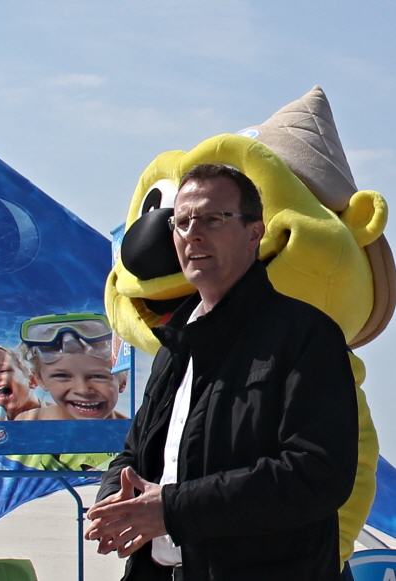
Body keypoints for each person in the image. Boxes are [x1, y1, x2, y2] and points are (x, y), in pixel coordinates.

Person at [85, 164, 359, 581]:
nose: (192, 234)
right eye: (181, 222)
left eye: (213, 219)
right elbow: (134, 455)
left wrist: (172, 510)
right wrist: (115, 501)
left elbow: (316, 475)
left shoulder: (306, 335)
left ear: (255, 232)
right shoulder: (173, 347)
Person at [16, 313, 127, 420]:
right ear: (40, 379)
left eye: (98, 376)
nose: (82, 390)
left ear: (123, 381)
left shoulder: (132, 427)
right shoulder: (29, 420)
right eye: (62, 376)